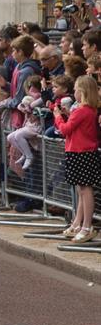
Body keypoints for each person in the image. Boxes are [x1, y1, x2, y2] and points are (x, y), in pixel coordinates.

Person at [56, 76, 100, 243]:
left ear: (83, 92)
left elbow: (65, 129)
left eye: (76, 90)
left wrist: (58, 117)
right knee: (81, 190)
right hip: (79, 151)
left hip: (82, 152)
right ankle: (78, 222)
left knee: (85, 190)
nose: (74, 92)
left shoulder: (83, 111)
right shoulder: (86, 111)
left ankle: (86, 226)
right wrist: (68, 115)